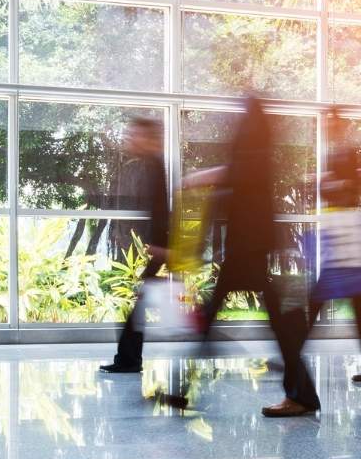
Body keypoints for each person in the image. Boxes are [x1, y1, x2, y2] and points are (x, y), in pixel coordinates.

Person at [166, 97, 320, 417]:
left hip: (247, 252)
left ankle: (302, 396)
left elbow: (236, 174)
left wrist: (198, 178)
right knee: (271, 327)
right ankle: (302, 395)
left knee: (261, 326)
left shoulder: (252, 156)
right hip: (251, 250)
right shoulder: (260, 154)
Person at [303, 109, 361, 383]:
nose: (328, 127)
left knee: (321, 298)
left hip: (344, 236)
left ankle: (291, 352)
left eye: (332, 123)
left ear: (340, 125)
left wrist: (328, 183)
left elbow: (348, 189)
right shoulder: (337, 153)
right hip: (339, 234)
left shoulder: (344, 153)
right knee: (351, 304)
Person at [100, 116, 169, 374]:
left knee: (140, 304)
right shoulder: (150, 164)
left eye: (135, 134)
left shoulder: (155, 164)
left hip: (161, 247)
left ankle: (128, 359)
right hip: (159, 246)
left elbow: (162, 208)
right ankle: (128, 358)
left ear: (148, 138)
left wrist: (160, 244)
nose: (130, 139)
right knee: (140, 304)